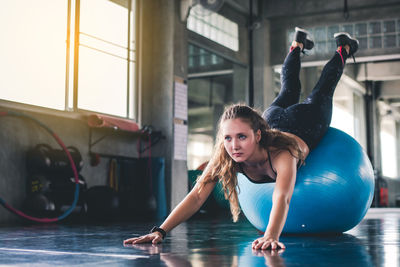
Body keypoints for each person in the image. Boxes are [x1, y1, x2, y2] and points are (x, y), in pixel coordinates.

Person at [123, 27, 359, 250]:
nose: (234, 145)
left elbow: (283, 197)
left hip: (305, 122)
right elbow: (197, 196)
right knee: (288, 88)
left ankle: (343, 48)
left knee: (322, 90)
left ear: (258, 135)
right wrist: (160, 231)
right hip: (274, 118)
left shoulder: (280, 154)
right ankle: (297, 44)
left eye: (242, 137)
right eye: (228, 138)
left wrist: (271, 235)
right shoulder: (226, 155)